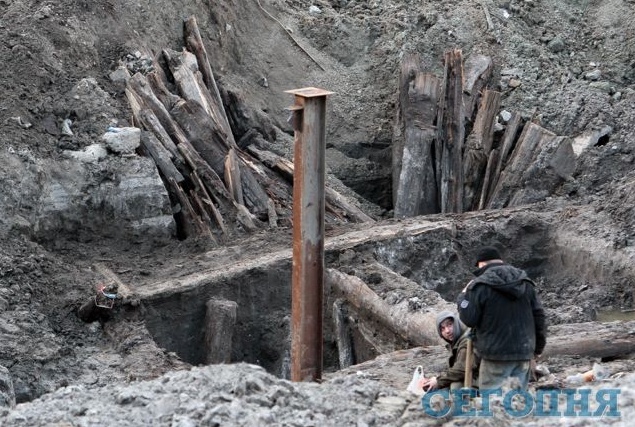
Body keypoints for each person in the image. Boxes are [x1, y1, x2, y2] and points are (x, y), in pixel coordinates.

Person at [456, 246, 547, 391]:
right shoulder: (525, 282)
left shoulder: (479, 286)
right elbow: (539, 316)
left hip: (494, 355)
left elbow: (469, 319)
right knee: (516, 402)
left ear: (482, 264)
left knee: (493, 404)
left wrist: (463, 297)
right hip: (523, 353)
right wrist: (538, 348)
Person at [420, 311, 479, 391]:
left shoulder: (466, 341)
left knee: (455, 387)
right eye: (442, 328)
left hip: (483, 382)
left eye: (449, 325)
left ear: (456, 323)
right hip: (473, 377)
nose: (447, 331)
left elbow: (461, 369)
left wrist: (438, 380)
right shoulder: (456, 341)